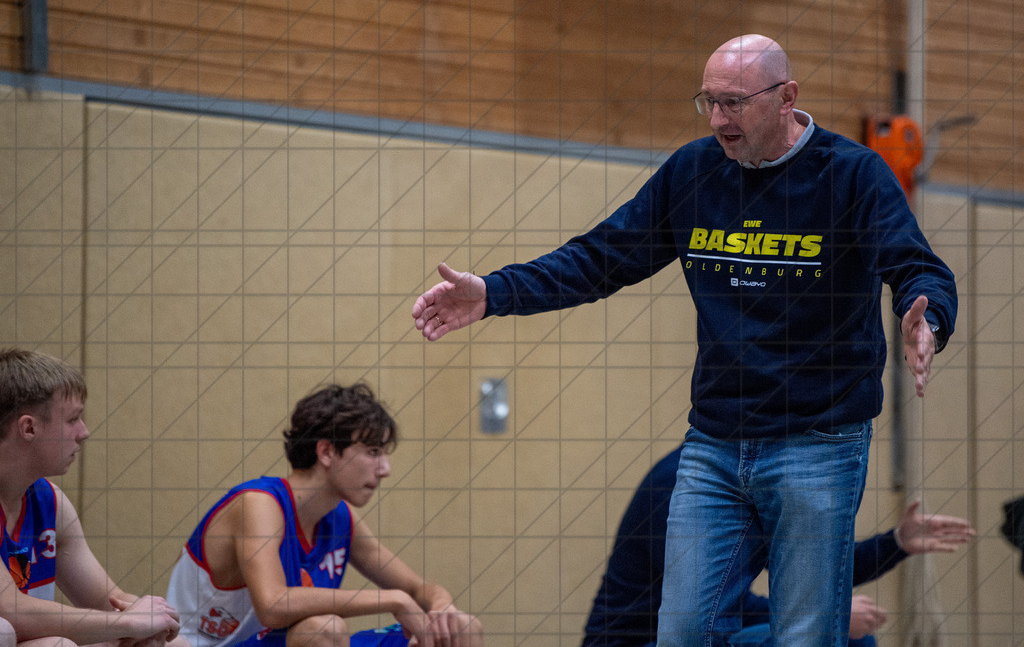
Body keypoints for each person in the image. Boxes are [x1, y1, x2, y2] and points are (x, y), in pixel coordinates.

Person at [411, 33, 958, 645]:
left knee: (806, 634)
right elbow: (600, 257)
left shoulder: (853, 174)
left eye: (734, 103)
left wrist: (928, 318)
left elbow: (919, 268)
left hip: (818, 442)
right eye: (708, 102)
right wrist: (494, 292)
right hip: (715, 445)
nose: (718, 119)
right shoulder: (693, 173)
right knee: (683, 633)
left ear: (786, 98)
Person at [167, 382, 483, 647]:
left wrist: (441, 607)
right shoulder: (259, 503)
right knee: (323, 629)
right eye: (373, 452)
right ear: (327, 452)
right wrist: (393, 600)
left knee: (462, 628)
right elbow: (272, 606)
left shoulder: (340, 517)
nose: (385, 469)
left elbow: (417, 588)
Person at [581, 445, 975, 646]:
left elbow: (817, 568)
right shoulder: (683, 488)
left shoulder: (755, 477)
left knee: (851, 637)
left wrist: (897, 542)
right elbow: (708, 614)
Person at [0, 348, 185, 647]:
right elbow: (10, 609)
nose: (84, 432)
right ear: (29, 428)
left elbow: (111, 602)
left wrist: (150, 619)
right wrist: (129, 623)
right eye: (73, 419)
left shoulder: (50, 502)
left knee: (173, 644)